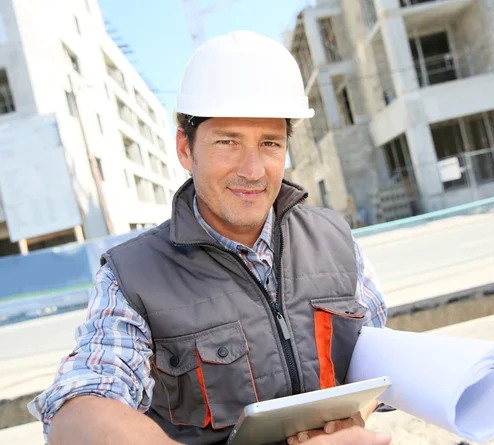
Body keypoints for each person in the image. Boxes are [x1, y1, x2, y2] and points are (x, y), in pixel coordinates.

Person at [28, 30, 388, 445]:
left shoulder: (334, 237)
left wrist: (351, 417)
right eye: (228, 142)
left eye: (269, 143)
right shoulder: (133, 277)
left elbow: (372, 354)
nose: (252, 170)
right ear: (185, 148)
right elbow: (80, 407)